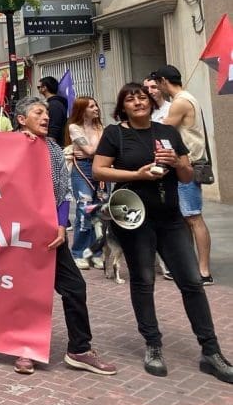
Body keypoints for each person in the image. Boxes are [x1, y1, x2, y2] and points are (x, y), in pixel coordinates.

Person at [93, 83, 232, 383]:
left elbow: (186, 175)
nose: (138, 102)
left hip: (170, 217)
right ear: (123, 107)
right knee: (143, 280)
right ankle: (153, 344)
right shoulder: (115, 134)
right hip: (134, 219)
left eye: (142, 97)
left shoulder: (167, 133)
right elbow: (99, 171)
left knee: (192, 281)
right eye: (130, 99)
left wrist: (178, 162)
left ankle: (211, 350)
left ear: (151, 102)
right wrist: (136, 175)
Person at [14, 97, 116, 377]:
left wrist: (61, 226)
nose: (46, 117)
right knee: (27, 293)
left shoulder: (55, 150)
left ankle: (79, 349)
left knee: (74, 287)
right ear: (22, 119)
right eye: (38, 112)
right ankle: (26, 349)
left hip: (48, 234)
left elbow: (62, 193)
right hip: (14, 235)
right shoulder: (8, 146)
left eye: (46, 112)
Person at [154, 65, 214, 285]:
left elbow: (162, 128)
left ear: (163, 81)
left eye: (156, 84)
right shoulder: (187, 98)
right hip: (185, 164)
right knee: (186, 218)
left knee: (193, 217)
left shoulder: (180, 101)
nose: (155, 89)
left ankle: (204, 271)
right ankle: (190, 266)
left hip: (187, 164)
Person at [66, 96, 105, 269]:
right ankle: (79, 252)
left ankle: (96, 252)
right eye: (91, 106)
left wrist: (93, 153)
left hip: (101, 169)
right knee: (84, 209)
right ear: (82, 110)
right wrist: (96, 151)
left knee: (100, 211)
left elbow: (94, 151)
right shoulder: (74, 127)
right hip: (82, 169)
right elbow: (90, 149)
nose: (96, 108)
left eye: (96, 105)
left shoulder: (101, 127)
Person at [37, 76, 68, 150]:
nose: (38, 89)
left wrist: (49, 148)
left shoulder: (54, 104)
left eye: (39, 87)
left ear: (44, 88)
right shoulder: (54, 103)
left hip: (56, 146)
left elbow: (54, 126)